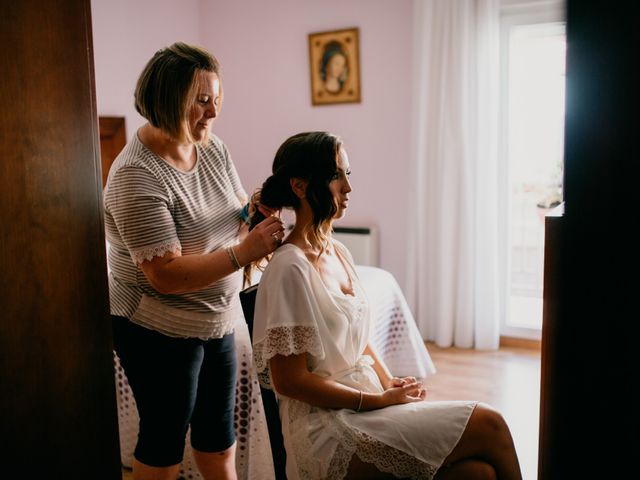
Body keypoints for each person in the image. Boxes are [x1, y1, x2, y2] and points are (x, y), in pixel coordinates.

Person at [249, 131, 523, 480]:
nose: (348, 187)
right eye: (336, 176)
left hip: (364, 402)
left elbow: (356, 336)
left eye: (348, 174)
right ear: (300, 186)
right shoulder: (289, 267)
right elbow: (289, 382)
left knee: (478, 474)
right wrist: (377, 401)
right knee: (490, 424)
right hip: (324, 428)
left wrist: (388, 380)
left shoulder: (339, 252)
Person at [103, 42, 285, 480]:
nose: (213, 112)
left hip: (214, 319)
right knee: (164, 442)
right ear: (167, 100)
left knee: (218, 436)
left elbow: (233, 210)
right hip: (155, 327)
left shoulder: (212, 147)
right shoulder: (136, 175)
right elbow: (165, 275)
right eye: (202, 102)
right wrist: (246, 251)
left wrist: (253, 211)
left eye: (216, 101)